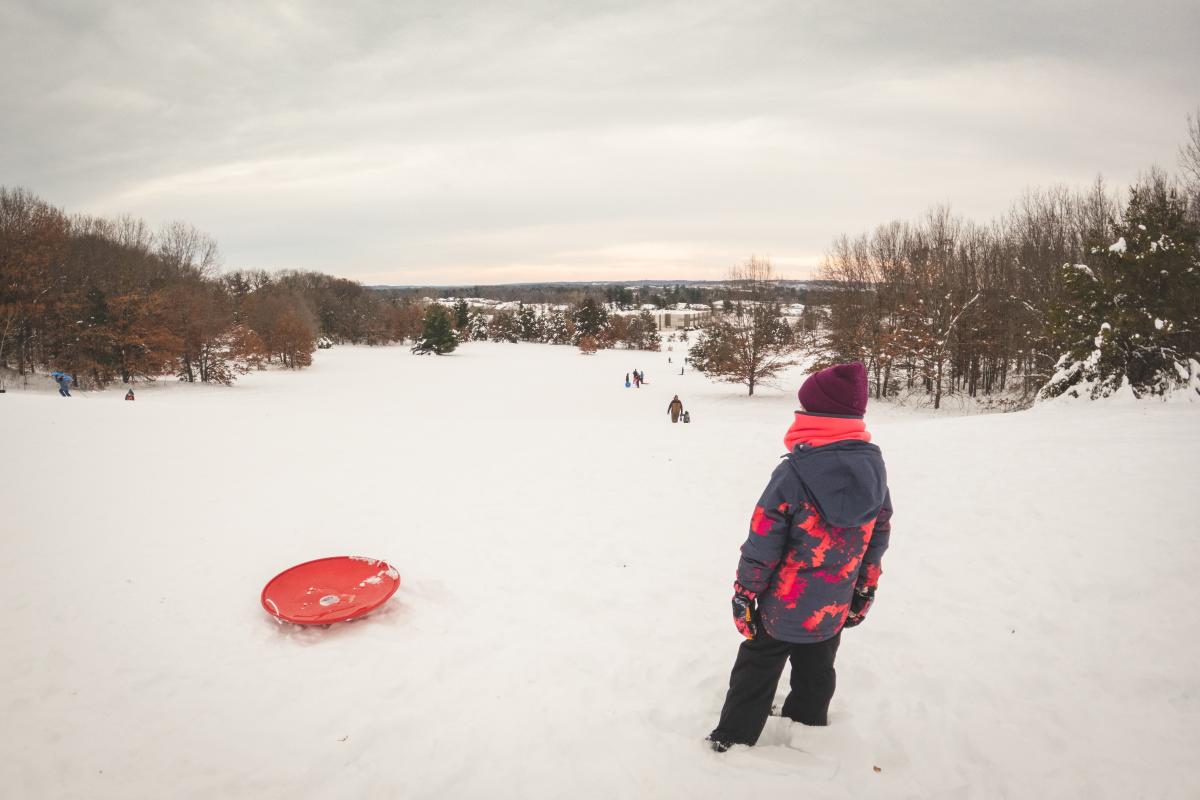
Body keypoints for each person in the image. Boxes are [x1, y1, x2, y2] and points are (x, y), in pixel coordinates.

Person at [707, 363, 893, 752]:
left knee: (757, 666)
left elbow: (763, 538)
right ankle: (806, 724)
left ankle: (732, 738)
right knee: (817, 665)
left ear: (818, 418)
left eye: (805, 409)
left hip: (785, 604)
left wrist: (745, 592)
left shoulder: (793, 473)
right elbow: (879, 532)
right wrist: (866, 586)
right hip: (834, 603)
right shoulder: (874, 468)